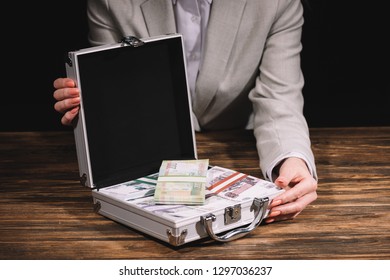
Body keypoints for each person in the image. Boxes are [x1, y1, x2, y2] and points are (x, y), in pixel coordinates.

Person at [53, 0, 318, 224]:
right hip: (147, 154)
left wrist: (291, 160)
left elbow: (279, 97)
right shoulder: (112, 3)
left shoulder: (277, 4)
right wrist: (89, 109)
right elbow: (113, 97)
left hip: (236, 141)